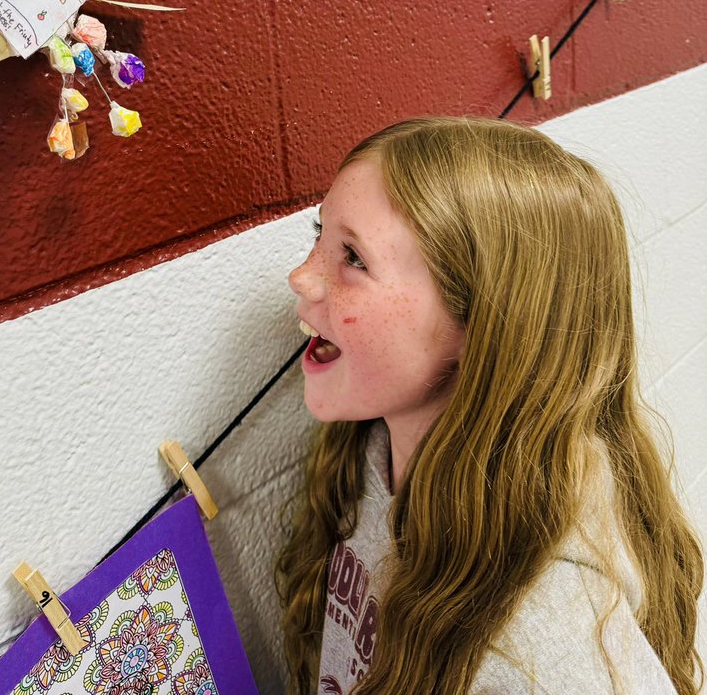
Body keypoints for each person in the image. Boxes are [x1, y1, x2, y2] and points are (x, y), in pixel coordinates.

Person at [276, 117, 703, 695]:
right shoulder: (370, 453)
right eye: (318, 233)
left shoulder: (547, 644)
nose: (301, 276)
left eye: (353, 256)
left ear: (488, 329)